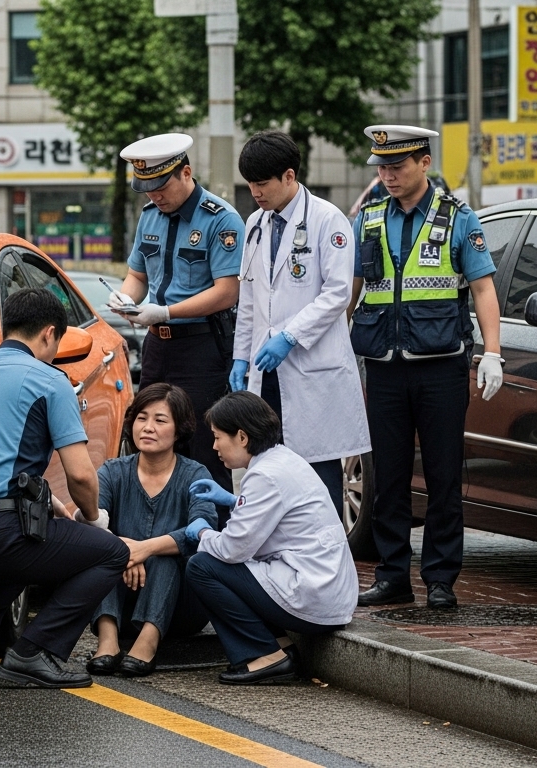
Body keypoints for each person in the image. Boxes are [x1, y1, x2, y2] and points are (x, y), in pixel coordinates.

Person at [0, 287, 129, 689]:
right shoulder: (47, 380)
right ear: (50, 333)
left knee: (28, 543)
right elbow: (82, 475)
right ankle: (36, 651)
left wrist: (56, 510)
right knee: (110, 553)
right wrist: (93, 519)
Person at [348, 125, 504, 611]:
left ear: (425, 163)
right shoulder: (369, 218)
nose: (387, 176)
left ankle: (440, 579)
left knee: (442, 477)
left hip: (441, 366)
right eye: (381, 167)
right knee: (388, 479)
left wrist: (494, 352)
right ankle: (393, 575)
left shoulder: (458, 218)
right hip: (385, 366)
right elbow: (351, 291)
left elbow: (483, 290)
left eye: (396, 166)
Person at [230, 130, 369, 515]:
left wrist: (290, 337)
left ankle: (324, 564)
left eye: (262, 183)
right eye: (250, 184)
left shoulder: (328, 220)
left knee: (317, 474)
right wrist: (241, 357)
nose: (255, 192)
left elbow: (338, 294)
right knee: (269, 467)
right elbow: (250, 298)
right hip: (266, 369)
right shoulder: (255, 224)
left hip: (312, 369)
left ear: (289, 176)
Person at [109, 134, 246, 518]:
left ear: (185, 172)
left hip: (201, 347)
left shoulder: (221, 219)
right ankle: (151, 529)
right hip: (157, 346)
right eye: (146, 189)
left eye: (160, 186)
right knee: (149, 440)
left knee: (205, 444)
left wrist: (167, 312)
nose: (154, 196)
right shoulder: (149, 217)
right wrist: (126, 299)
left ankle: (211, 541)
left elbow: (226, 292)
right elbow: (137, 274)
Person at [183, 391, 357, 685]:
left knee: (202, 566)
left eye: (217, 437)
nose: (214, 446)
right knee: (239, 569)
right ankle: (280, 644)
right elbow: (269, 518)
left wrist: (201, 532)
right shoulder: (283, 459)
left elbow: (232, 549)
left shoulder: (264, 475)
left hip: (312, 595)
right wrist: (232, 500)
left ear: (241, 437)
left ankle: (265, 655)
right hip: (327, 591)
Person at [86, 383, 218, 678]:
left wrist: (144, 549)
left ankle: (148, 640)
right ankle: (108, 641)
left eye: (160, 420)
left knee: (166, 557)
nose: (147, 427)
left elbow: (203, 531)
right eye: (141, 418)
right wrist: (125, 551)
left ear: (179, 429)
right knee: (102, 551)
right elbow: (91, 523)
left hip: (180, 606)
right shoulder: (113, 471)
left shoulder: (195, 474)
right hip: (122, 592)